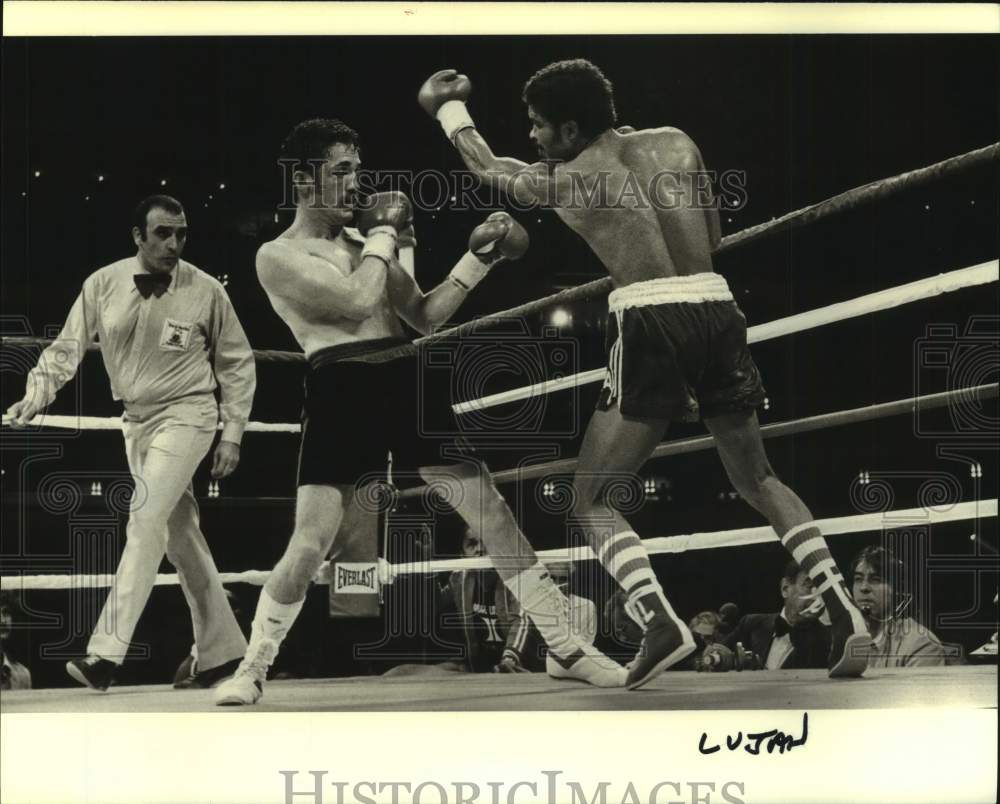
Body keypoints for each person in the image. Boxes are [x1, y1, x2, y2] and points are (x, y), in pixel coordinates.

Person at [419, 58, 871, 689]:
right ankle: (846, 611)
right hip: (718, 305)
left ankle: (659, 620)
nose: (533, 138)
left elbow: (494, 170)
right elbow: (710, 234)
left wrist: (449, 112)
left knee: (590, 496)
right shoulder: (678, 141)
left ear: (571, 130)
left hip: (650, 317)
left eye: (539, 126)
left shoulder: (568, 177)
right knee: (759, 477)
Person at [214, 119, 623, 706]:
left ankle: (565, 647)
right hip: (341, 383)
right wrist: (383, 237)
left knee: (491, 512)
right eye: (341, 172)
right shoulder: (276, 255)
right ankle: (253, 667)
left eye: (358, 169)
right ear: (304, 181)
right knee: (310, 541)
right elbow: (355, 303)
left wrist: (478, 259)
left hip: (404, 372)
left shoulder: (364, 245)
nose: (357, 183)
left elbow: (426, 316)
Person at [5, 195, 254, 691]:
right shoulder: (102, 283)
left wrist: (233, 433)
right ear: (137, 236)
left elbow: (237, 362)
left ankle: (105, 654)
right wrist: (35, 395)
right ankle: (224, 653)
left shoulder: (205, 289)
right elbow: (68, 347)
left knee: (143, 519)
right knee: (180, 536)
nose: (174, 243)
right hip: (137, 424)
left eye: (181, 233)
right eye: (162, 233)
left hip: (190, 415)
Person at [721, 560, 831, 670]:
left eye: (824, 589)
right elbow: (714, 653)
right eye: (809, 586)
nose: (818, 597)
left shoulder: (829, 642)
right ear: (785, 588)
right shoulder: (750, 623)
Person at [850, 546, 948, 668]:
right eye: (858, 579)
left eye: (876, 580)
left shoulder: (921, 643)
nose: (863, 587)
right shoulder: (844, 638)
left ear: (897, 590)